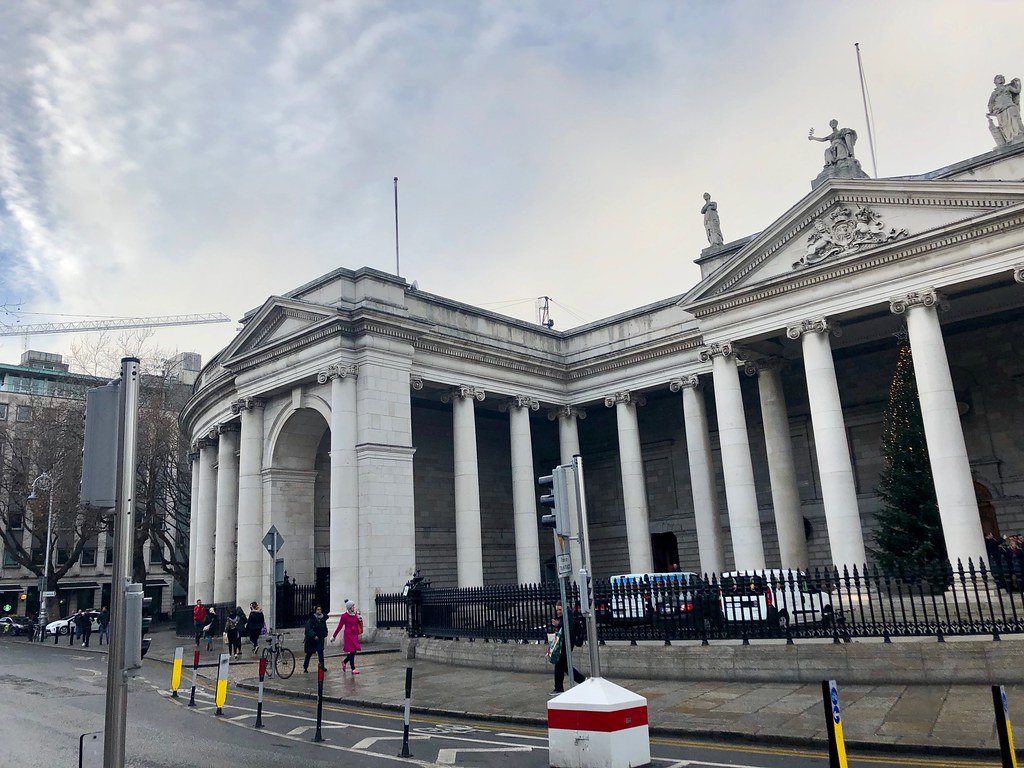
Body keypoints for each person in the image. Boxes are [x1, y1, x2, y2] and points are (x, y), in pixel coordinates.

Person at [549, 601, 585, 694]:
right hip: (564, 645)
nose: (558, 612)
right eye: (557, 610)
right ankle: (581, 681)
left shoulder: (568, 618)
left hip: (565, 645)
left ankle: (560, 688)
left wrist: (558, 624)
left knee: (562, 666)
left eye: (560, 610)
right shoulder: (566, 616)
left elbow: (567, 630)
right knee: (563, 667)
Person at [988, 74, 1024, 145]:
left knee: (1015, 120)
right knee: (1005, 125)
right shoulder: (994, 93)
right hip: (1000, 110)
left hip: (1010, 106)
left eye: (1002, 77)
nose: (1001, 79)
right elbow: (990, 103)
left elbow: (1017, 91)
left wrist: (1018, 83)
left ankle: (1018, 135)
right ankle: (1009, 138)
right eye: (998, 78)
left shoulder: (1008, 87)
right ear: (995, 81)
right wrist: (992, 111)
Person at [330, 600, 362, 675]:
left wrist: (359, 619)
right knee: (352, 651)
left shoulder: (355, 615)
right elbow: (339, 626)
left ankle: (344, 662)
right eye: (352, 606)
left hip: (354, 635)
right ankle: (353, 669)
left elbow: (358, 623)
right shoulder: (344, 616)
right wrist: (334, 636)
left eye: (353, 606)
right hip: (348, 636)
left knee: (354, 651)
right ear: (349, 608)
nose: (353, 608)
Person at [303, 606, 329, 673]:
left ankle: (322, 666)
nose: (319, 611)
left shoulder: (322, 619)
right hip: (312, 640)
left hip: (320, 638)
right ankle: (305, 667)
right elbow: (308, 629)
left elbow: (325, 628)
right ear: (315, 610)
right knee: (309, 653)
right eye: (318, 609)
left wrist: (325, 634)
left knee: (320, 652)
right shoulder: (312, 619)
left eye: (320, 609)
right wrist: (314, 635)